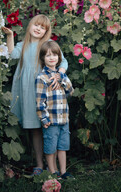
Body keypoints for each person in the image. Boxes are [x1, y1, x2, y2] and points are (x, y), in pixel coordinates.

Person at [2, 14, 68, 175]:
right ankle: (39, 165)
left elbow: (63, 61)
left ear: (46, 31)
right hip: (28, 90)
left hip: (45, 90)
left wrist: (59, 74)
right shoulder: (23, 44)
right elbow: (12, 54)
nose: (38, 29)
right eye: (36, 25)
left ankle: (52, 166)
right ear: (30, 25)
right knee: (35, 129)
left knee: (49, 127)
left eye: (43, 27)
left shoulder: (47, 45)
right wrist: (9, 35)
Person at [35, 40, 74, 179]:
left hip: (64, 119)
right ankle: (53, 172)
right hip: (51, 120)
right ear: (43, 58)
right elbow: (40, 101)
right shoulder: (41, 77)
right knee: (50, 147)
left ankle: (63, 172)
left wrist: (61, 78)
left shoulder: (61, 75)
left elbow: (70, 91)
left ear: (59, 57)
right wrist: (44, 118)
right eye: (48, 55)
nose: (52, 58)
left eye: (55, 55)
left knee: (62, 146)